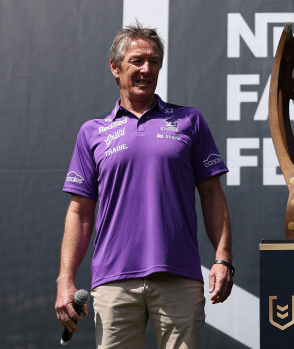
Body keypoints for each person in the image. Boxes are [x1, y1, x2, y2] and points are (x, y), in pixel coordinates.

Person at [54, 22, 234, 348]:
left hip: (179, 277)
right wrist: (65, 280)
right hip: (113, 282)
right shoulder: (92, 133)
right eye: (137, 60)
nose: (145, 69)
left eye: (153, 61)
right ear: (115, 67)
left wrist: (222, 258)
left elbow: (212, 197)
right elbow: (79, 213)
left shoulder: (189, 121)